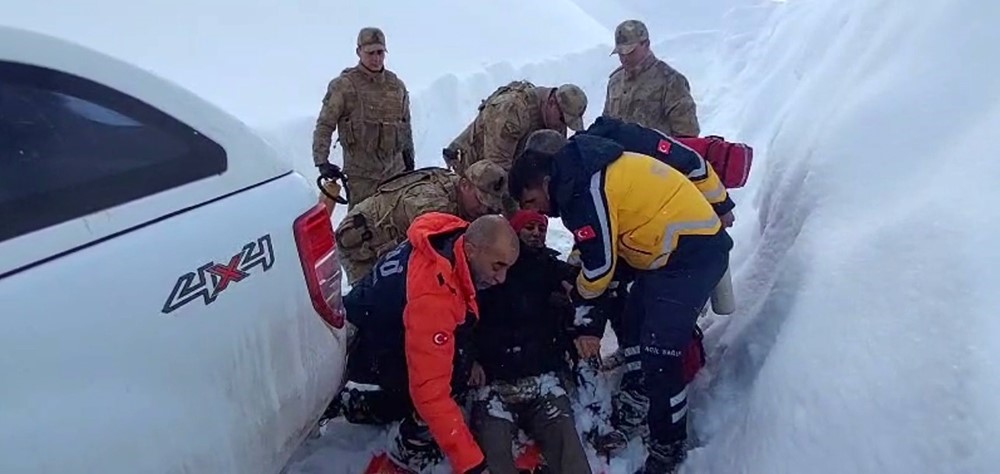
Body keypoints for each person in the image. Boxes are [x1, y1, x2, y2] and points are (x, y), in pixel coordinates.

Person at [507, 133, 732, 473]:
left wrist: (585, 321)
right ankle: (640, 390)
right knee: (634, 317)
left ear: (544, 182)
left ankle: (668, 447)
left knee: (660, 353)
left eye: (530, 200)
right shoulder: (581, 176)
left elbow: (600, 266)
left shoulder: (583, 190)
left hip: (691, 253)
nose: (535, 211)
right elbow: (600, 263)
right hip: (664, 255)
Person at [336, 212, 520, 473]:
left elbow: (462, 307)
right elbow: (429, 392)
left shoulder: (449, 239)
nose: (501, 278)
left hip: (373, 329)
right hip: (365, 362)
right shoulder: (433, 294)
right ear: (471, 250)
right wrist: (471, 463)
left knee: (457, 361)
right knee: (446, 381)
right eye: (497, 266)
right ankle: (406, 441)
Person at [469, 210, 591, 474]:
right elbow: (461, 323)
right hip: (494, 384)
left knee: (567, 444)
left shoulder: (548, 268)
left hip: (541, 380)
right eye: (529, 228)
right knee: (493, 455)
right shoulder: (482, 273)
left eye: (541, 229)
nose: (536, 233)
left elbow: (584, 284)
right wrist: (470, 360)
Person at [335, 161, 508, 285]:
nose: (483, 210)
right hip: (362, 245)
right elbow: (435, 253)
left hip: (394, 246)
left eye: (490, 207)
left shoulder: (464, 200)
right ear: (464, 185)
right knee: (374, 305)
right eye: (480, 201)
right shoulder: (432, 202)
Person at [312, 27, 415, 208]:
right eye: (370, 53)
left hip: (395, 174)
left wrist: (409, 161)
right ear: (359, 52)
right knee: (360, 231)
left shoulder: (396, 86)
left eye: (380, 52)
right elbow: (325, 125)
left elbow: (405, 127)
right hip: (362, 179)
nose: (376, 58)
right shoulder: (344, 86)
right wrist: (322, 161)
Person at [443, 81, 588, 177]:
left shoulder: (554, 118)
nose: (562, 127)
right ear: (551, 103)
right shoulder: (512, 110)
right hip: (471, 168)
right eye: (563, 120)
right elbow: (497, 171)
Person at [603, 19, 701, 138]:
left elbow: (687, 135)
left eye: (630, 52)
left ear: (646, 44)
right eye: (620, 53)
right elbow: (605, 125)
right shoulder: (615, 82)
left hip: (655, 155)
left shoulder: (671, 81)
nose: (624, 57)